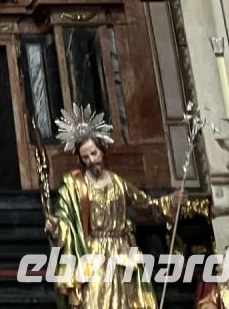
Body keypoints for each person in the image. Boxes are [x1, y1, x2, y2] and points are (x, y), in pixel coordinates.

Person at [48, 105, 184, 309]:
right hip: (93, 254)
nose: (91, 160)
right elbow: (65, 218)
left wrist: (171, 202)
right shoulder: (75, 186)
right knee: (93, 302)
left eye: (94, 153)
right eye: (85, 157)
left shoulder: (118, 183)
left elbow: (146, 204)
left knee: (125, 303)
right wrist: (57, 227)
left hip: (121, 252)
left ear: (103, 150)